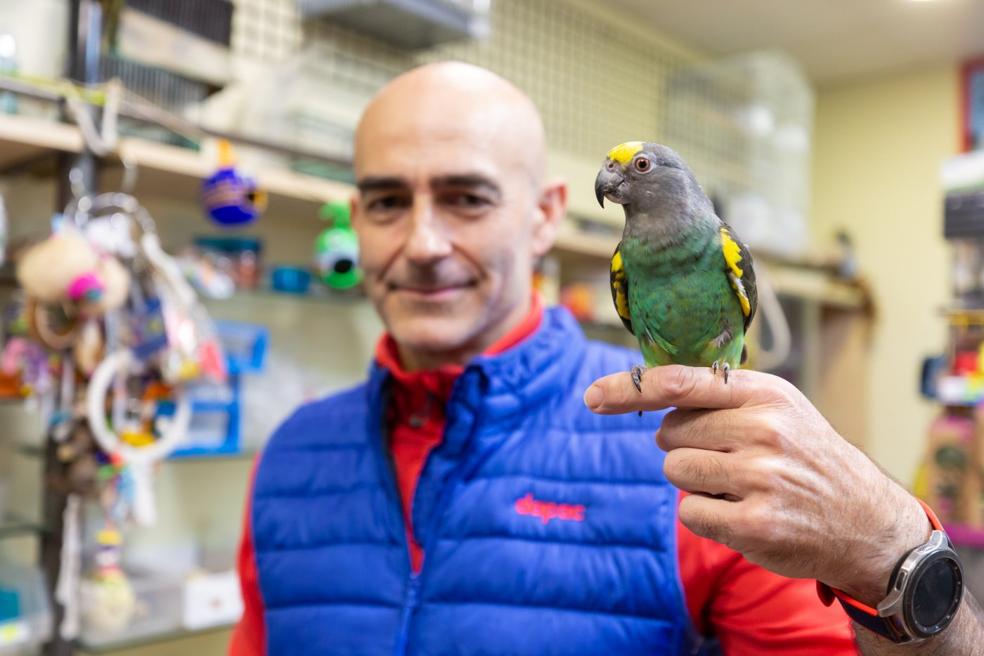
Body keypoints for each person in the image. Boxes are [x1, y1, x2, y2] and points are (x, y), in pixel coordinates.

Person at [229, 61, 984, 655]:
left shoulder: (714, 464)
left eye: (468, 198)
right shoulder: (288, 455)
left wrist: (892, 550)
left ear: (546, 216)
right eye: (388, 202)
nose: (423, 244)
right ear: (355, 219)